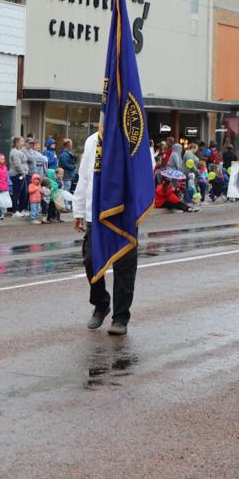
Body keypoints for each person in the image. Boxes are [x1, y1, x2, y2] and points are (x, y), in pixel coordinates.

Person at [72, 130, 154, 336]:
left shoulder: (136, 139)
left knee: (124, 267)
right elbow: (84, 177)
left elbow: (146, 172)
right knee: (91, 260)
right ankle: (101, 303)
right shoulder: (92, 140)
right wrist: (78, 209)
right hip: (96, 213)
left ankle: (120, 317)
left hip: (124, 215)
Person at [8, 136, 27, 213]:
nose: (23, 142)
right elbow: (17, 164)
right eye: (22, 141)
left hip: (22, 174)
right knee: (16, 193)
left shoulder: (20, 151)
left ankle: (21, 209)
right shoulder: (15, 152)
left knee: (24, 192)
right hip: (17, 174)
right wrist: (22, 173)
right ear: (17, 143)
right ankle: (15, 211)